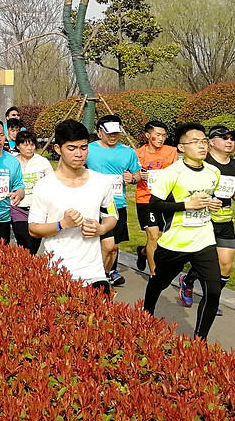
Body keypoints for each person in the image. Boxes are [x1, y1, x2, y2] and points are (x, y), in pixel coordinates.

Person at [143, 122, 224, 339]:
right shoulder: (172, 173)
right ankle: (146, 315)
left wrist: (212, 203)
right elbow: (155, 205)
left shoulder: (213, 172)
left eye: (204, 141)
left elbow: (208, 198)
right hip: (175, 242)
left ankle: (200, 340)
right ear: (181, 147)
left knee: (213, 291)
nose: (201, 146)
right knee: (158, 282)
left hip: (204, 239)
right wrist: (186, 205)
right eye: (195, 142)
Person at [28, 120, 118, 290]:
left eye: (83, 148)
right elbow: (33, 229)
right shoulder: (44, 185)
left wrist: (102, 229)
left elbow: (112, 216)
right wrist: (63, 224)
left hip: (94, 273)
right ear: (57, 149)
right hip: (58, 273)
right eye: (71, 148)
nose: (79, 154)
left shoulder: (101, 182)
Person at [181, 126, 235, 314]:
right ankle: (188, 281)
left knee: (225, 265)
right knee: (205, 261)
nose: (229, 141)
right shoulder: (202, 161)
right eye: (224, 138)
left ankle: (211, 301)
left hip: (225, 221)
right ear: (211, 142)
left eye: (232, 138)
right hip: (202, 220)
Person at [85, 115, 142, 288]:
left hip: (117, 204)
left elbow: (138, 175)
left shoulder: (128, 152)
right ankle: (97, 275)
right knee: (100, 243)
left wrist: (132, 178)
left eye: (116, 133)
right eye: (109, 133)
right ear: (100, 132)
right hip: (93, 204)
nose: (113, 136)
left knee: (113, 246)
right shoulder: (88, 149)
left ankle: (107, 273)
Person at [133, 121, 178, 275]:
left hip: (165, 200)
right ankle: (154, 274)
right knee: (153, 235)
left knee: (160, 237)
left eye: (163, 135)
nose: (161, 139)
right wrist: (139, 176)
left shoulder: (172, 152)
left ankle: (143, 252)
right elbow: (131, 176)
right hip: (146, 199)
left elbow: (177, 173)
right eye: (157, 135)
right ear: (148, 136)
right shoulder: (138, 154)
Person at [12, 129, 52, 254]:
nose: (29, 148)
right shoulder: (12, 162)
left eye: (32, 144)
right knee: (24, 244)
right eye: (25, 144)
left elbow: (52, 182)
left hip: (38, 209)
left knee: (34, 245)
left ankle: (30, 268)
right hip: (18, 207)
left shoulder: (42, 162)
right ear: (18, 146)